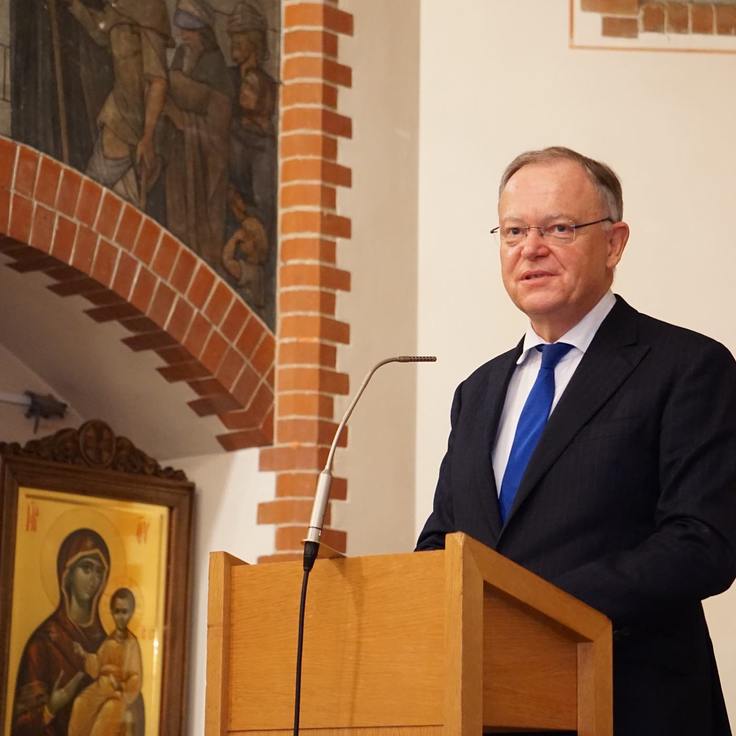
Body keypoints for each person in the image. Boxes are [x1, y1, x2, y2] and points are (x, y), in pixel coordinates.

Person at [416, 147, 736, 735]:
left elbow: (703, 544)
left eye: (558, 227)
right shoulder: (476, 392)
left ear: (614, 243)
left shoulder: (688, 366)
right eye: (513, 230)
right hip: (487, 712)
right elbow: (444, 541)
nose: (530, 248)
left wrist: (533, 608)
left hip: (634, 706)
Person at [63, 0, 171, 207]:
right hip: (117, 112)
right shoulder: (119, 8)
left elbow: (158, 81)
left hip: (134, 120)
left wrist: (147, 137)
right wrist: (75, 5)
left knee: (99, 194)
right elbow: (101, 31)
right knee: (109, 196)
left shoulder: (149, 10)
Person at [12, 529, 110, 736]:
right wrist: (50, 708)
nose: (94, 578)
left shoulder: (108, 645)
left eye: (99, 571)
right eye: (86, 568)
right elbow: (20, 725)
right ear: (67, 574)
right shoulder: (43, 642)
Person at [161, 0, 234, 265]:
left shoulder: (216, 67)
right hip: (180, 156)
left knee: (203, 226)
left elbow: (218, 129)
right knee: (177, 214)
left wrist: (183, 119)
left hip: (205, 163)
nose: (183, 36)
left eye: (189, 31)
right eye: (181, 29)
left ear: (203, 33)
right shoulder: (181, 56)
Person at [69, 588, 144, 736]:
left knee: (107, 714)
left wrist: (121, 685)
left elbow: (135, 677)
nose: (121, 617)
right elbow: (97, 666)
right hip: (101, 688)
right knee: (79, 703)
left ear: (131, 613)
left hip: (118, 694)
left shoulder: (131, 644)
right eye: (117, 612)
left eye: (125, 612)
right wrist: (83, 654)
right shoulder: (109, 641)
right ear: (111, 613)